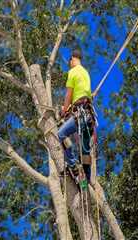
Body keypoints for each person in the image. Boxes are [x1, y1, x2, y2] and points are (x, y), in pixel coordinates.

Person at [58, 50, 96, 181]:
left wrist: (64, 111)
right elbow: (84, 94)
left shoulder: (72, 71)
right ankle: (87, 177)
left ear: (72, 59)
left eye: (70, 62)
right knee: (85, 151)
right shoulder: (86, 73)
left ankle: (73, 165)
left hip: (81, 113)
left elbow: (69, 94)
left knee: (61, 134)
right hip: (89, 116)